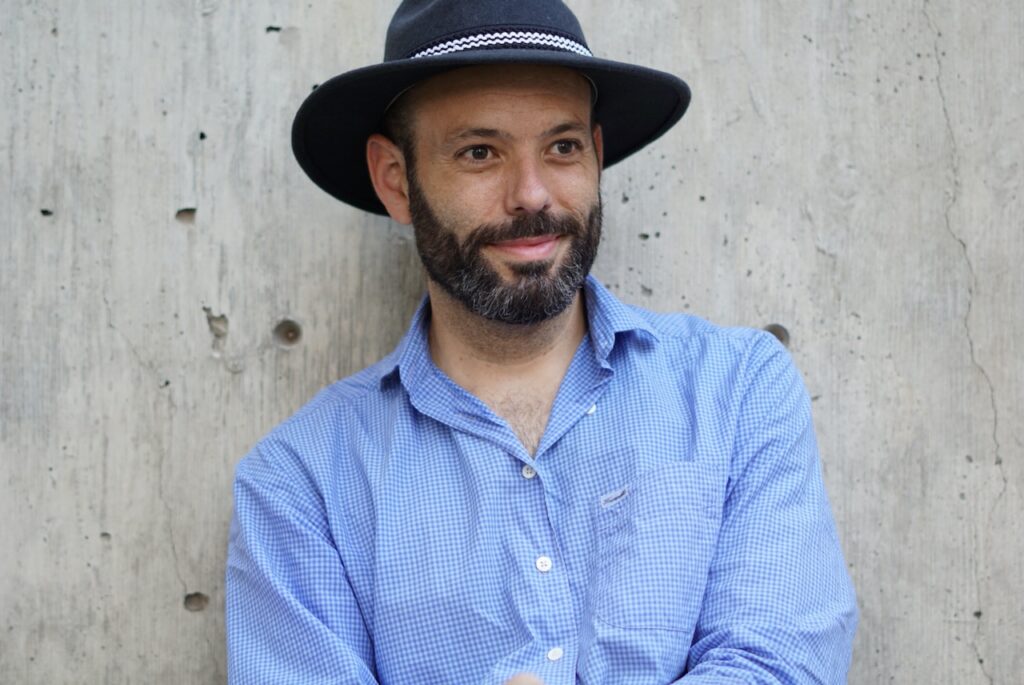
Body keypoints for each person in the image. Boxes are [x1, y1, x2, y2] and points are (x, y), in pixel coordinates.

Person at [226, 1, 858, 683]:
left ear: (596, 154)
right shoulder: (301, 482)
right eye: (480, 152)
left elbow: (781, 665)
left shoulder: (737, 390)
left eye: (561, 147)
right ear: (396, 179)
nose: (532, 195)